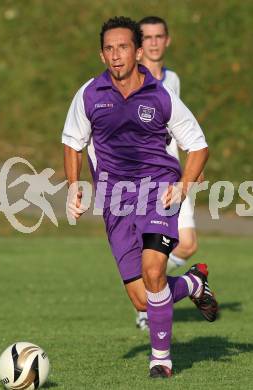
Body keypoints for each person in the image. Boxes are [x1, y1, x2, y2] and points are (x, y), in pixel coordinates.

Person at [62, 16, 218, 378]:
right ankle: (193, 283)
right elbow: (72, 141)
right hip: (115, 202)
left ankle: (160, 360)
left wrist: (182, 186)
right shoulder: (89, 94)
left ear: (136, 52)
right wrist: (73, 186)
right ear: (102, 55)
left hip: (158, 193)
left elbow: (198, 146)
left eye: (122, 47)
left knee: (153, 271)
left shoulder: (161, 96)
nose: (116, 55)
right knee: (142, 298)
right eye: (109, 49)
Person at [135, 15, 201, 330]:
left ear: (168, 40)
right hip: (148, 177)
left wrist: (193, 165)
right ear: (139, 43)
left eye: (159, 36)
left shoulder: (172, 79)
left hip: (175, 174)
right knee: (156, 246)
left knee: (187, 244)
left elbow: (177, 127)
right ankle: (148, 304)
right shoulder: (133, 80)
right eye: (147, 37)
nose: (154, 42)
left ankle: (152, 293)